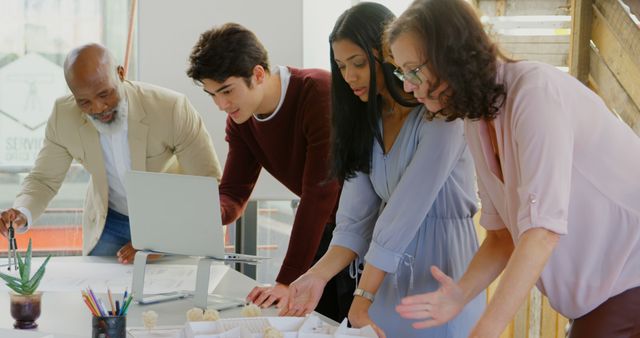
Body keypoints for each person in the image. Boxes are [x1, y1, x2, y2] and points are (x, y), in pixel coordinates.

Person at [387, 0, 640, 337]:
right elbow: (502, 237)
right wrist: (459, 295)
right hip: (604, 293)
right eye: (402, 72)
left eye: (413, 70)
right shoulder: (476, 119)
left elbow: (542, 233)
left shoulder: (535, 94)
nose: (406, 85)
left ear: (451, 54)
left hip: (630, 274)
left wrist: (485, 330)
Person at [283, 3, 484, 337]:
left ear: (390, 55)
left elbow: (405, 212)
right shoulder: (367, 123)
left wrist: (363, 294)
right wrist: (315, 276)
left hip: (441, 277)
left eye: (358, 63)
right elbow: (354, 220)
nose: (349, 77)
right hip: (384, 282)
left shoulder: (442, 117)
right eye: (341, 66)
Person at [186, 23, 353, 321]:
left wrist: (286, 280)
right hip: (325, 232)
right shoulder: (240, 120)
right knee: (313, 324)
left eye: (226, 91)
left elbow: (320, 193)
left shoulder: (318, 92)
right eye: (212, 95)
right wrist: (201, 214)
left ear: (258, 74)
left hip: (362, 231)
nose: (221, 105)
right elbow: (233, 194)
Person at [0, 44, 222, 263]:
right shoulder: (63, 115)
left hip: (170, 221)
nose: (98, 108)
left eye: (104, 94)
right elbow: (44, 179)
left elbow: (208, 184)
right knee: (101, 295)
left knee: (172, 294)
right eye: (84, 102)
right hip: (110, 222)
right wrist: (22, 212)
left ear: (121, 74)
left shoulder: (171, 108)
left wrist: (165, 239)